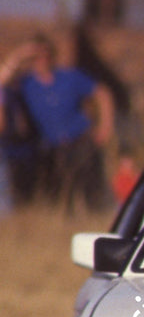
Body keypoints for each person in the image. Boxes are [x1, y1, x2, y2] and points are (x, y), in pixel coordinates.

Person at [0, 34, 114, 213]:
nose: (42, 60)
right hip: (52, 148)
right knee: (59, 199)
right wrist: (20, 54)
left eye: (45, 55)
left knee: (94, 196)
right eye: (36, 57)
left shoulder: (69, 77)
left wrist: (105, 126)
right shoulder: (26, 83)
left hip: (81, 141)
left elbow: (102, 93)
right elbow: (2, 80)